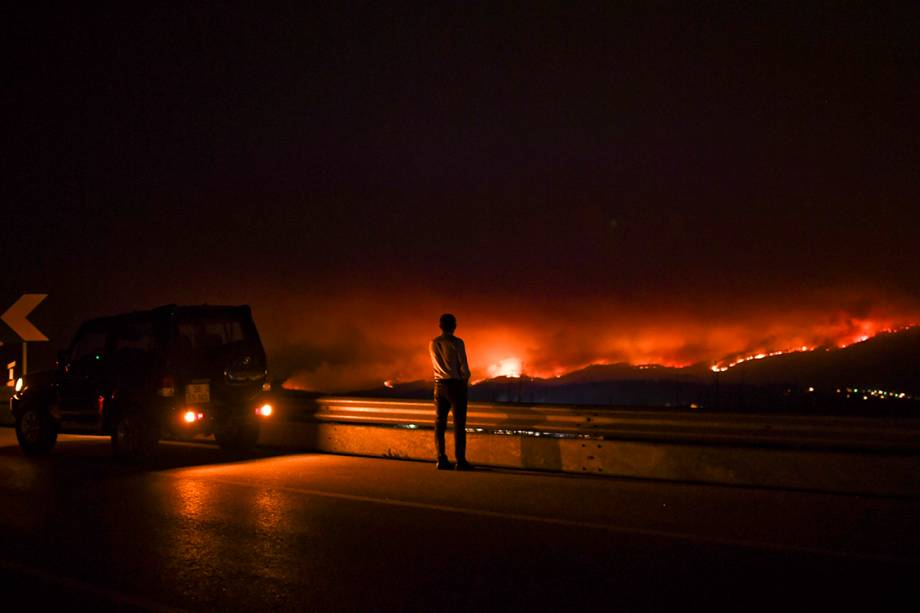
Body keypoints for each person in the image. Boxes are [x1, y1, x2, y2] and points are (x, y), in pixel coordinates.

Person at [429, 313, 473, 470]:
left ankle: (441, 459)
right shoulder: (457, 342)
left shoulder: (433, 343)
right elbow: (464, 367)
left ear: (440, 326)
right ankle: (460, 461)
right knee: (459, 424)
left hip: (438, 386)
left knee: (440, 423)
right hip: (455, 385)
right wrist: (465, 380)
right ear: (454, 326)